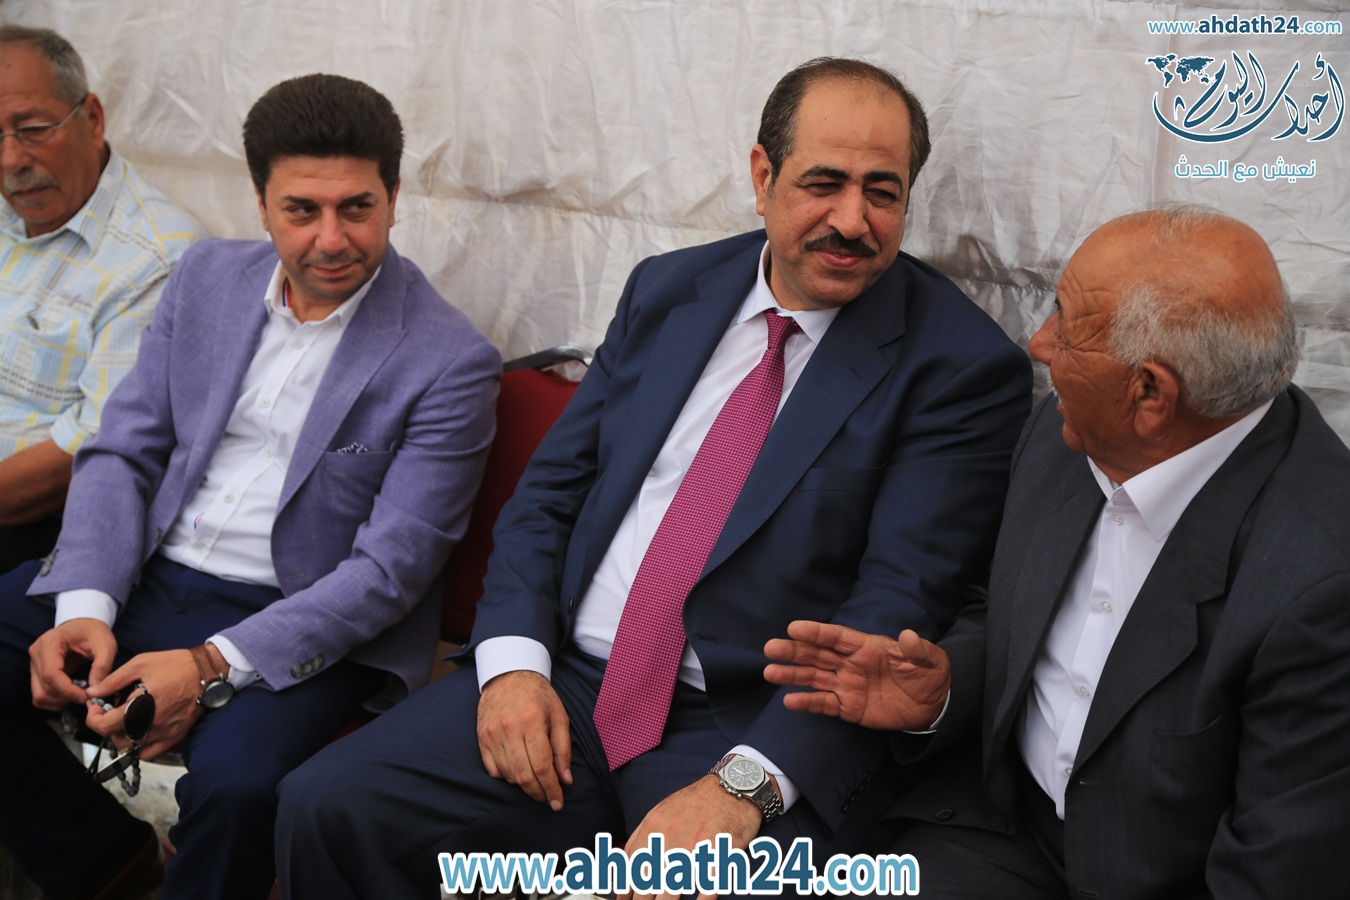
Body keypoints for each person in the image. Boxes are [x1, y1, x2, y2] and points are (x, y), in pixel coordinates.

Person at [276, 57, 1031, 899]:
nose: (852, 221)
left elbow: (894, 606)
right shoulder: (670, 291)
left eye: (882, 193)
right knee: (327, 805)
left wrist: (744, 787)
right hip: (570, 678)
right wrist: (515, 664)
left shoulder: (958, 368)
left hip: (743, 721)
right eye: (824, 184)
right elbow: (549, 497)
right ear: (763, 176)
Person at [0, 73, 500, 900]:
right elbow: (123, 451)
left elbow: (390, 573)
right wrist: (84, 605)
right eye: (302, 209)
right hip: (149, 573)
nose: (331, 238)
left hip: (301, 614)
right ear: (261, 203)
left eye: (357, 207)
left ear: (394, 199)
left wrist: (206, 666)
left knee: (240, 791)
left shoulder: (449, 359)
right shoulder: (205, 277)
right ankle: (103, 866)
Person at [764, 206, 1350, 899]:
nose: (1039, 344)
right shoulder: (1069, 431)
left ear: (1149, 394)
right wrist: (947, 689)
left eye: (1068, 329)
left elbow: (1279, 871)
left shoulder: (1321, 582)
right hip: (1004, 830)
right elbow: (1007, 599)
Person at [0, 26, 203, 572]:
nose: (12, 159)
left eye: (33, 130)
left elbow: (95, 448)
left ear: (91, 119)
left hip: (34, 523)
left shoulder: (155, 256)